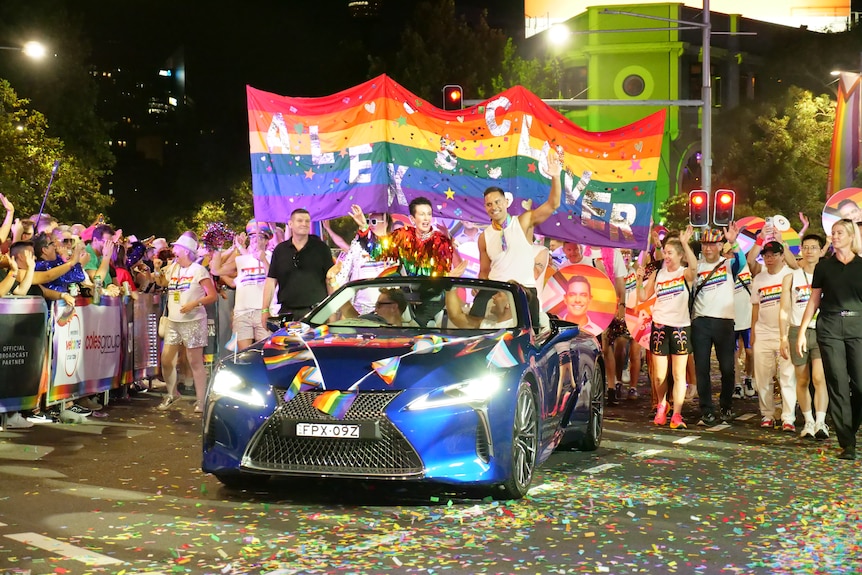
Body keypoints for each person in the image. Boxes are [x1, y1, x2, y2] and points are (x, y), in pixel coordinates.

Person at [796, 219, 862, 460]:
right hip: (830, 326)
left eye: (839, 233)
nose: (834, 236)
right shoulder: (824, 267)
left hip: (858, 326)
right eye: (832, 233)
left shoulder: (861, 265)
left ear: (851, 236)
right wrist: (802, 331)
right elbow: (814, 300)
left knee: (860, 385)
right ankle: (848, 443)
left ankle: (850, 427)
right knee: (837, 385)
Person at [475, 148, 561, 329]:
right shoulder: (483, 237)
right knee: (473, 329)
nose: (494, 207)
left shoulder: (523, 221)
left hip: (524, 292)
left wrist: (556, 177)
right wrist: (480, 287)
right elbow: (484, 271)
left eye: (498, 202)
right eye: (489, 204)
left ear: (506, 202)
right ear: (485, 207)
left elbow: (553, 204)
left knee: (530, 340)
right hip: (495, 292)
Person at [350, 197, 457, 326]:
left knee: (415, 329)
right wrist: (364, 226)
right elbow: (379, 249)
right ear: (412, 219)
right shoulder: (403, 235)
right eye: (422, 214)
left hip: (432, 298)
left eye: (429, 214)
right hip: (405, 297)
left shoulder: (441, 241)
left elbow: (442, 275)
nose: (426, 218)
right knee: (387, 323)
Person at [636, 227, 698, 430]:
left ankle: (677, 414)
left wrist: (685, 243)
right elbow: (643, 297)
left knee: (679, 374)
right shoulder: (658, 274)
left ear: (680, 255)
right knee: (659, 375)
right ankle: (662, 404)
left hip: (680, 327)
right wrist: (638, 281)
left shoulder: (684, 273)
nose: (667, 256)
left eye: (671, 252)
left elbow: (695, 268)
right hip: (660, 326)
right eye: (665, 252)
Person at [153, 231, 219, 413]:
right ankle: (172, 393)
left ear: (186, 251)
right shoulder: (174, 268)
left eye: (177, 248)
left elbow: (212, 296)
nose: (174, 250)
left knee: (194, 362)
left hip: (193, 321)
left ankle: (201, 401)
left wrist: (194, 303)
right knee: (166, 359)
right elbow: (162, 283)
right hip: (174, 321)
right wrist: (157, 269)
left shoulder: (199, 270)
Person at [689, 224, 745, 426]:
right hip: (701, 322)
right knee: (702, 368)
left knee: (727, 368)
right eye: (704, 244)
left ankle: (726, 406)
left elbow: (742, 260)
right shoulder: (696, 267)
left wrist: (734, 241)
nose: (708, 248)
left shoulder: (728, 264)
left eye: (712, 244)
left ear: (720, 246)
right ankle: (707, 410)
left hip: (724, 322)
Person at [780, 233, 829, 440]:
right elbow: (784, 309)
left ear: (821, 251)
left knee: (819, 377)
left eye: (814, 247)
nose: (809, 251)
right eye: (806, 247)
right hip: (795, 332)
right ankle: (807, 421)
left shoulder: (828, 276)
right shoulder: (791, 277)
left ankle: (821, 422)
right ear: (800, 250)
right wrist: (783, 338)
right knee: (802, 379)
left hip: (821, 331)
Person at [750, 240, 796, 431]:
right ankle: (767, 414)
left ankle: (788, 417)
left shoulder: (791, 275)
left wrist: (785, 244)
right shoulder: (759, 279)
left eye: (773, 255)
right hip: (763, 332)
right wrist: (753, 333)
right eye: (766, 256)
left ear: (782, 256)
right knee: (763, 377)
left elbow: (797, 264)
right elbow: (755, 307)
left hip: (785, 333)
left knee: (787, 376)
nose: (769, 259)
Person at [262, 208, 334, 325]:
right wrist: (265, 310)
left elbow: (330, 280)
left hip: (317, 312)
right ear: (290, 224)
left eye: (307, 221)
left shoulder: (321, 248)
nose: (304, 224)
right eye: (300, 221)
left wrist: (332, 311)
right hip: (287, 313)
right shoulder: (280, 250)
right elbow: (271, 281)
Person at [327, 209, 396, 314]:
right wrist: (333, 279)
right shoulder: (357, 245)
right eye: (368, 221)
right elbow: (344, 273)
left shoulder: (394, 245)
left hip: (387, 309)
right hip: (359, 311)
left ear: (386, 222)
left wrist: (364, 228)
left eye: (374, 222)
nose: (370, 225)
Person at [232, 220, 272, 350]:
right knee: (244, 356)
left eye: (260, 236)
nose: (255, 240)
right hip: (242, 313)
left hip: (263, 311)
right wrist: (235, 247)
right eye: (252, 236)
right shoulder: (241, 259)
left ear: (266, 241)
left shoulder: (272, 257)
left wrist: (263, 259)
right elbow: (216, 270)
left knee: (265, 353)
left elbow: (273, 278)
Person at [340, 287, 410, 327]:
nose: (375, 309)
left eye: (379, 305)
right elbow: (352, 315)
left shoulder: (411, 334)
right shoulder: (371, 324)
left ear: (394, 307)